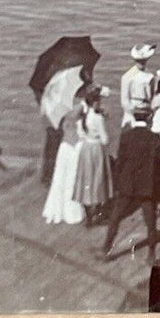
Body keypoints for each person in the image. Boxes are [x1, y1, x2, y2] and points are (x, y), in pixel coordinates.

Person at [102, 102, 160, 263]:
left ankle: (106, 248)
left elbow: (120, 161)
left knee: (115, 217)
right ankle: (152, 255)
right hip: (147, 187)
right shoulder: (154, 138)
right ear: (149, 117)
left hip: (128, 185)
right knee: (150, 222)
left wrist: (117, 183)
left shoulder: (126, 136)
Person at [72, 85, 113, 224]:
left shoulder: (82, 117)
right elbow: (105, 139)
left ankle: (88, 216)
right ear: (95, 102)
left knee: (86, 179)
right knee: (99, 179)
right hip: (96, 149)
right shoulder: (98, 118)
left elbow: (80, 134)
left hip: (85, 148)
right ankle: (99, 212)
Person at [42, 96, 85, 225]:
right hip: (75, 146)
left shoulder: (59, 107)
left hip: (64, 146)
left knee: (60, 179)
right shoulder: (80, 107)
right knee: (72, 178)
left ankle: (57, 211)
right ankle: (72, 211)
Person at [120, 43, 156, 118]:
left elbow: (152, 96)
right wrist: (134, 114)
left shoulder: (150, 74)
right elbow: (125, 101)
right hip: (133, 111)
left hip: (148, 110)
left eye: (144, 60)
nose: (142, 63)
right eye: (139, 61)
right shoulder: (127, 77)